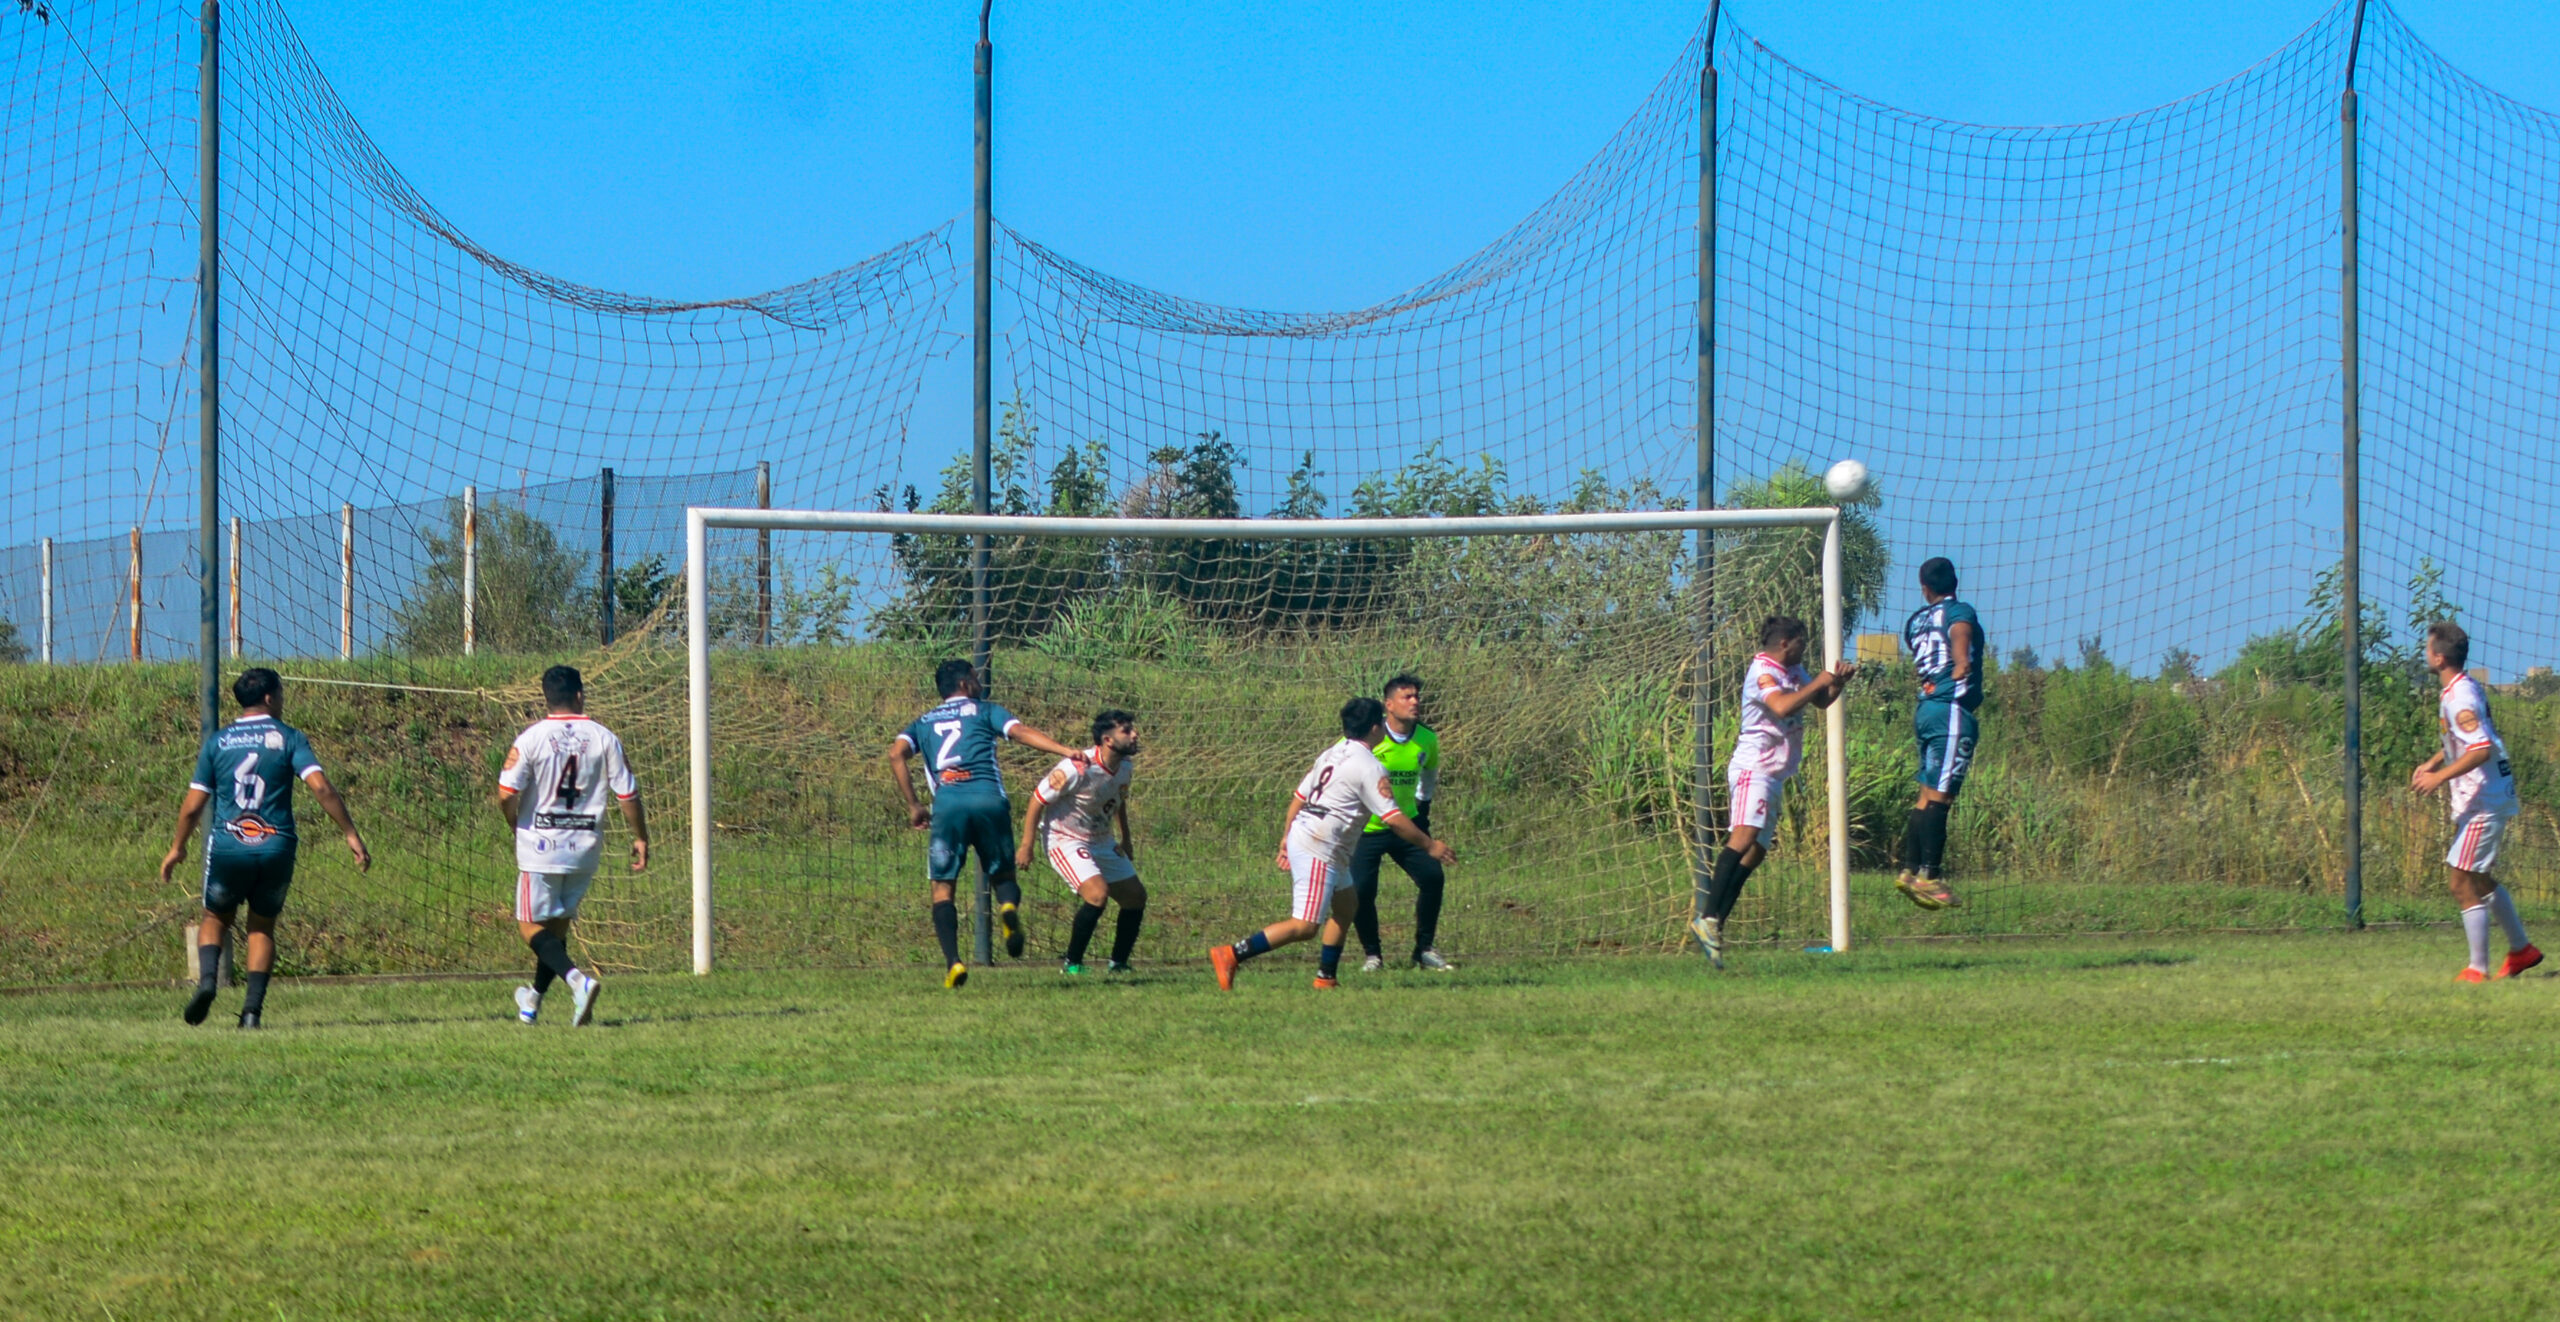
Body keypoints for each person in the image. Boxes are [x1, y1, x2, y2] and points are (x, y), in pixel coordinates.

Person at [159, 668, 370, 1028]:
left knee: (215, 918)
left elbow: (193, 805)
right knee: (261, 927)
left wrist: (177, 847)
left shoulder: (218, 742)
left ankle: (208, 981)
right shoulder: (289, 738)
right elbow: (320, 787)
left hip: (229, 846)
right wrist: (350, 832)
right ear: (270, 697)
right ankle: (251, 1014)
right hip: (275, 846)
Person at [1210, 697, 1457, 990]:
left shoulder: (1333, 752)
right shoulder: (1370, 766)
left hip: (1317, 838)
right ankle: (1232, 954)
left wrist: (1286, 837)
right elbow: (1393, 818)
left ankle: (1326, 977)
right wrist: (1430, 846)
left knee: (1346, 906)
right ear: (1375, 728)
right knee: (1304, 926)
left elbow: (1299, 797)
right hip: (1320, 845)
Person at [888, 659, 1078, 987]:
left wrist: (914, 805)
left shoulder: (922, 721)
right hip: (989, 799)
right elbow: (1019, 732)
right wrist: (1064, 750)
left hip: (948, 806)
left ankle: (954, 963)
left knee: (942, 888)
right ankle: (1007, 906)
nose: (980, 684)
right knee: (1002, 874)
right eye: (976, 678)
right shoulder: (986, 710)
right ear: (965, 684)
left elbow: (895, 755)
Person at [1690, 617, 1853, 968]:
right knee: (1744, 837)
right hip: (1754, 767)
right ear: (1784, 644)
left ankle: (1715, 924)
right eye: (1801, 643)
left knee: (1756, 852)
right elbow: (1781, 706)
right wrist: (1820, 681)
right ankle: (1707, 917)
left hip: (1774, 773)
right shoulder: (1763, 671)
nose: (1804, 649)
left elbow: (1820, 701)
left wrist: (1836, 683)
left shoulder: (1794, 670)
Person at [497, 665, 647, 1027]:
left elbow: (506, 793)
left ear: (546, 698)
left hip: (541, 847)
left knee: (528, 927)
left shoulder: (531, 738)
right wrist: (640, 836)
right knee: (556, 931)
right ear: (580, 696)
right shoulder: (604, 738)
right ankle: (532, 1002)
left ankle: (579, 982)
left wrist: (514, 823)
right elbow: (627, 794)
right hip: (584, 849)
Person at [2411, 622, 2540, 982]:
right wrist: (2434, 761)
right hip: (2486, 796)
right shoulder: (2464, 687)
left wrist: (2439, 777)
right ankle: (2521, 950)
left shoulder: (2460, 698)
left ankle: (2477, 969)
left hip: (2484, 800)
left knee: (2460, 881)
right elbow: (2468, 739)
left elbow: (2481, 749)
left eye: (2428, 648)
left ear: (2439, 657)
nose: (2425, 653)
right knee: (2479, 878)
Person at [1018, 709, 1147, 975]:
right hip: (1065, 839)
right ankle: (1072, 964)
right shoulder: (1076, 768)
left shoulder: (1125, 766)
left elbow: (1118, 800)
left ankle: (1118, 964)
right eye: (1126, 731)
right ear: (1107, 740)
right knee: (1097, 894)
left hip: (1101, 840)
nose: (1135, 734)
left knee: (1135, 897)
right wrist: (1026, 845)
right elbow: (1037, 800)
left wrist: (1126, 839)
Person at [1350, 674, 1453, 972]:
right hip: (1367, 829)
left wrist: (1422, 809)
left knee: (1432, 878)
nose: (1415, 702)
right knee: (1361, 890)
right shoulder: (1367, 738)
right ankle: (1373, 955)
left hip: (1407, 825)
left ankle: (1424, 950)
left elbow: (1428, 776)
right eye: (1407, 697)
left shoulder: (1427, 738)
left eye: (1416, 696)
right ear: (1389, 705)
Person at [1896, 557, 1984, 909]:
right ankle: (1930, 877)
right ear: (1955, 582)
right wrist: (1962, 660)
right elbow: (1960, 631)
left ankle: (1909, 870)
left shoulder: (1914, 621)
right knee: (1942, 798)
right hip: (1952, 710)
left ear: (1924, 589)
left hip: (1927, 710)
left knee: (1926, 794)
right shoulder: (1960, 610)